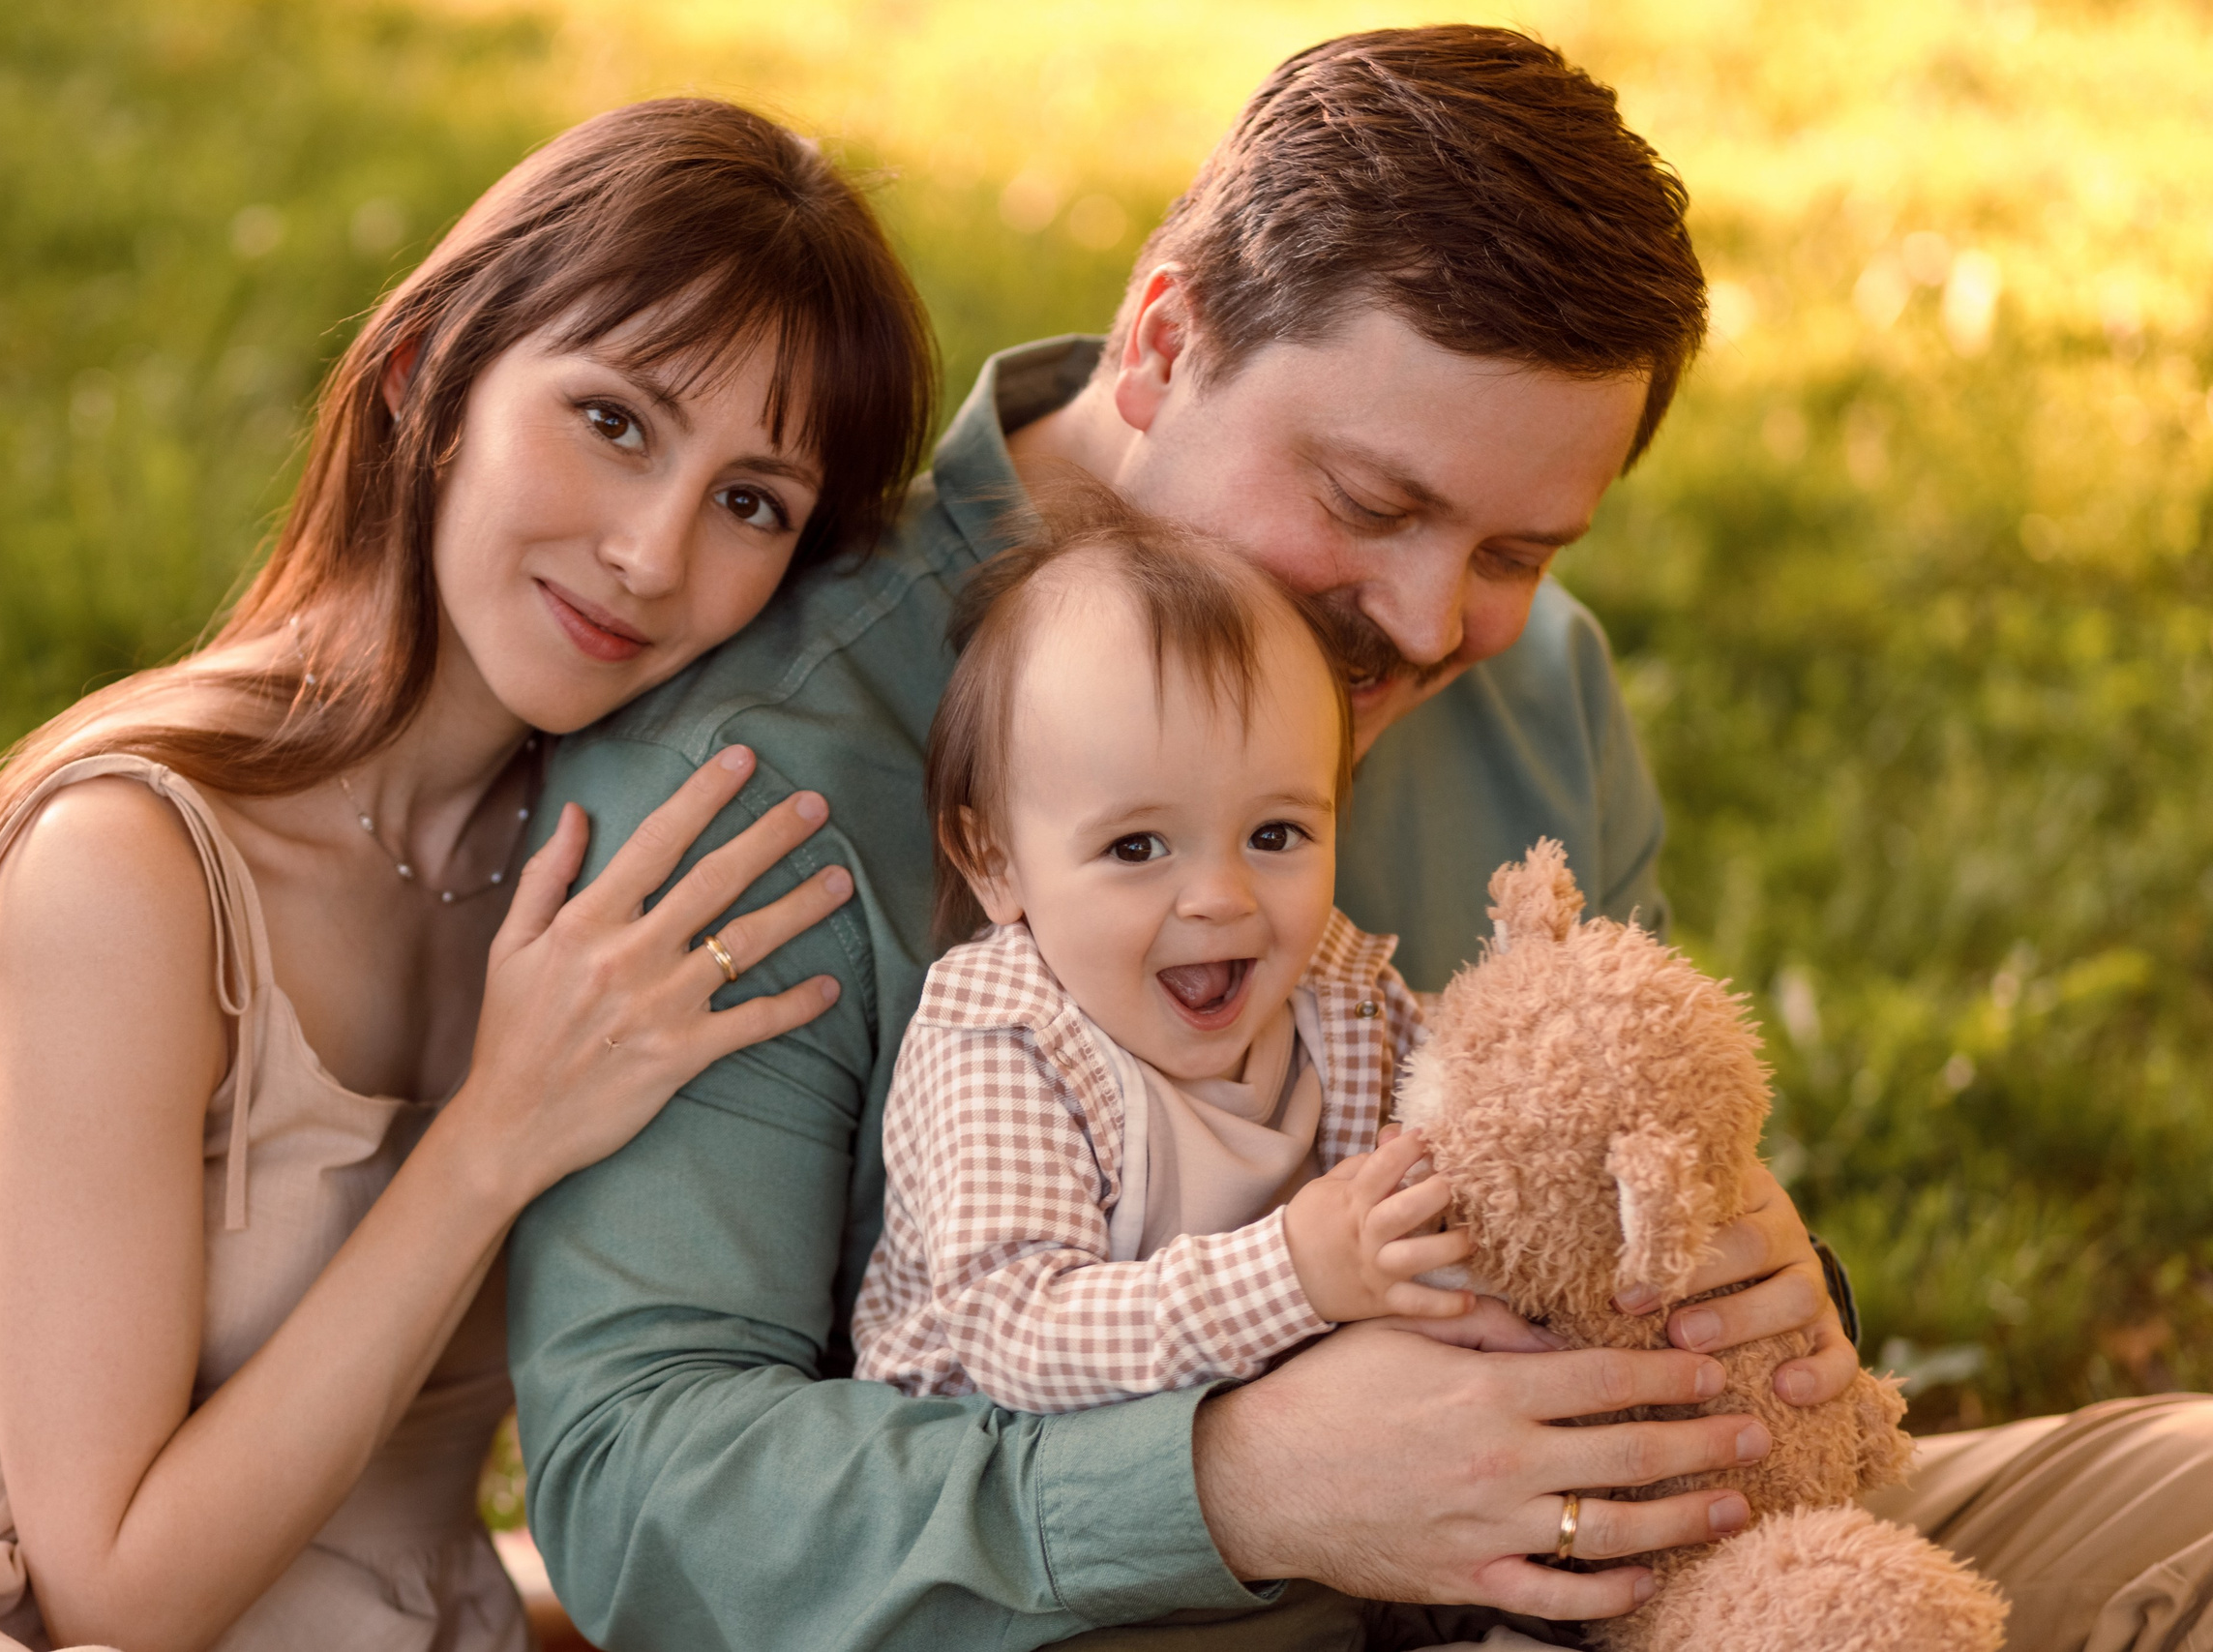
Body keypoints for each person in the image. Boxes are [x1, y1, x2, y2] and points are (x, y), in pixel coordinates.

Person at [508, 27, 2213, 1652]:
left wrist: (1745, 1286)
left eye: (1518, 550)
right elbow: (641, 1498)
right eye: (1372, 503)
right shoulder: (767, 767)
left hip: (1621, 1571)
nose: (1425, 619)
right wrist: (1239, 1485)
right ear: (1162, 343)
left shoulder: (1534, 682)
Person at [0, 99, 935, 1651]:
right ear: (424, 375)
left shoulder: (619, 890)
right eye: (614, 420)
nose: (653, 552)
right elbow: (108, 1584)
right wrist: (497, 1131)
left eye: (750, 501)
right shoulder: (134, 863)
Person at [852, 486, 1543, 1421]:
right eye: (1137, 846)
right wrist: (1295, 1271)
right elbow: (1020, 1331)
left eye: (1275, 833)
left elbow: (1486, 1108)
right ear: (995, 862)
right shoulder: (1006, 1040)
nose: (1221, 896)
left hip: (1295, 1435)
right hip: (1011, 1475)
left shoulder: (1339, 991)